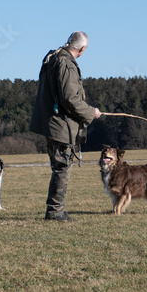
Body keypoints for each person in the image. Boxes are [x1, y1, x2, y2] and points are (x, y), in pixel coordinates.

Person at [29, 31, 101, 221]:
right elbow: (70, 99)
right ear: (83, 48)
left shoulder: (53, 57)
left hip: (51, 123)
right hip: (60, 125)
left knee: (59, 166)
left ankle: (56, 210)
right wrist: (90, 112)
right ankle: (55, 212)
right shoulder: (66, 63)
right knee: (62, 167)